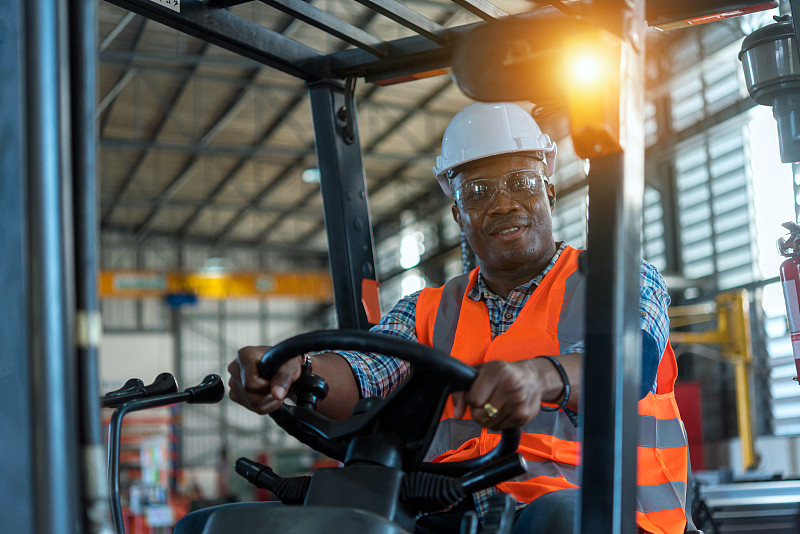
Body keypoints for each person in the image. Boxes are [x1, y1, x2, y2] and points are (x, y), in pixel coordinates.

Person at [228, 102, 689, 534]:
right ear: (458, 215)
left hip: (606, 516)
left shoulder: (618, 278)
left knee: (558, 519)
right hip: (456, 509)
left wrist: (539, 377)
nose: (505, 204)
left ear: (549, 191)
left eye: (522, 183)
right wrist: (295, 369)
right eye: (479, 192)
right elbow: (362, 375)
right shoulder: (426, 309)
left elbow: (631, 362)